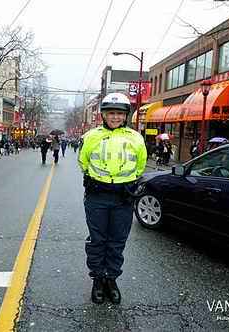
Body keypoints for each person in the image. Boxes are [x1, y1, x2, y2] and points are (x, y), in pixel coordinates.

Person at [78, 92, 146, 305]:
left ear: (126, 115)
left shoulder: (135, 138)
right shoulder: (91, 136)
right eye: (110, 113)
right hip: (97, 196)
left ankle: (111, 280)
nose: (115, 117)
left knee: (117, 242)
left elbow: (140, 164)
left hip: (123, 198)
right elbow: (83, 161)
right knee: (98, 241)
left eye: (119, 113)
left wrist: (126, 183)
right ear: (103, 115)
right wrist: (98, 180)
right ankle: (98, 280)